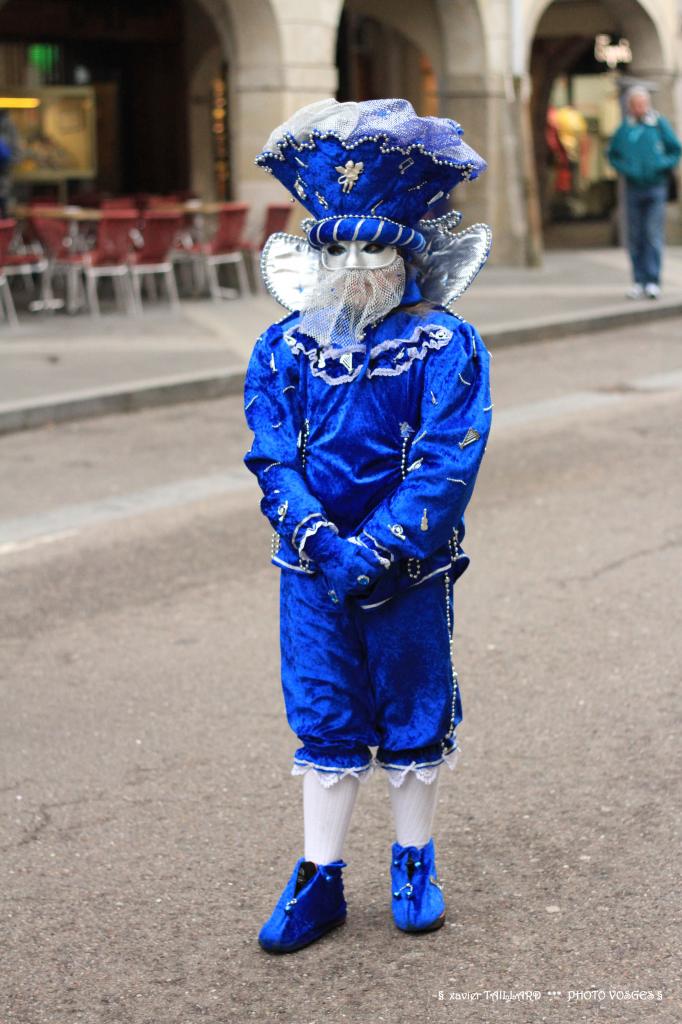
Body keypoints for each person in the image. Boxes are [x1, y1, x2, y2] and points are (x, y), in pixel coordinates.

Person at [243, 98, 493, 953]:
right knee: (322, 711)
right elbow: (272, 453)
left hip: (408, 568)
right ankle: (319, 878)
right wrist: (319, 542)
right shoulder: (282, 346)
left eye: (373, 242)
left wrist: (381, 550)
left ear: (406, 254)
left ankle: (415, 856)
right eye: (337, 244)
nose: (354, 260)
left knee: (414, 710)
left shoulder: (444, 343)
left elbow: (447, 458)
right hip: (310, 569)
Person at [607, 85, 681, 299]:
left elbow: (676, 149)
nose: (640, 108)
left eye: (642, 104)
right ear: (630, 106)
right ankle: (638, 280)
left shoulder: (658, 125)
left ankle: (653, 280)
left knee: (652, 233)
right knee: (635, 235)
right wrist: (626, 169)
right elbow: (613, 154)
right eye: (636, 104)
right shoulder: (625, 129)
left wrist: (662, 164)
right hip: (633, 188)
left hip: (656, 186)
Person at [0, 110, 19, 219]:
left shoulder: (8, 128)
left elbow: (16, 155)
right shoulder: (10, 128)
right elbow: (17, 155)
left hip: (4, 179)